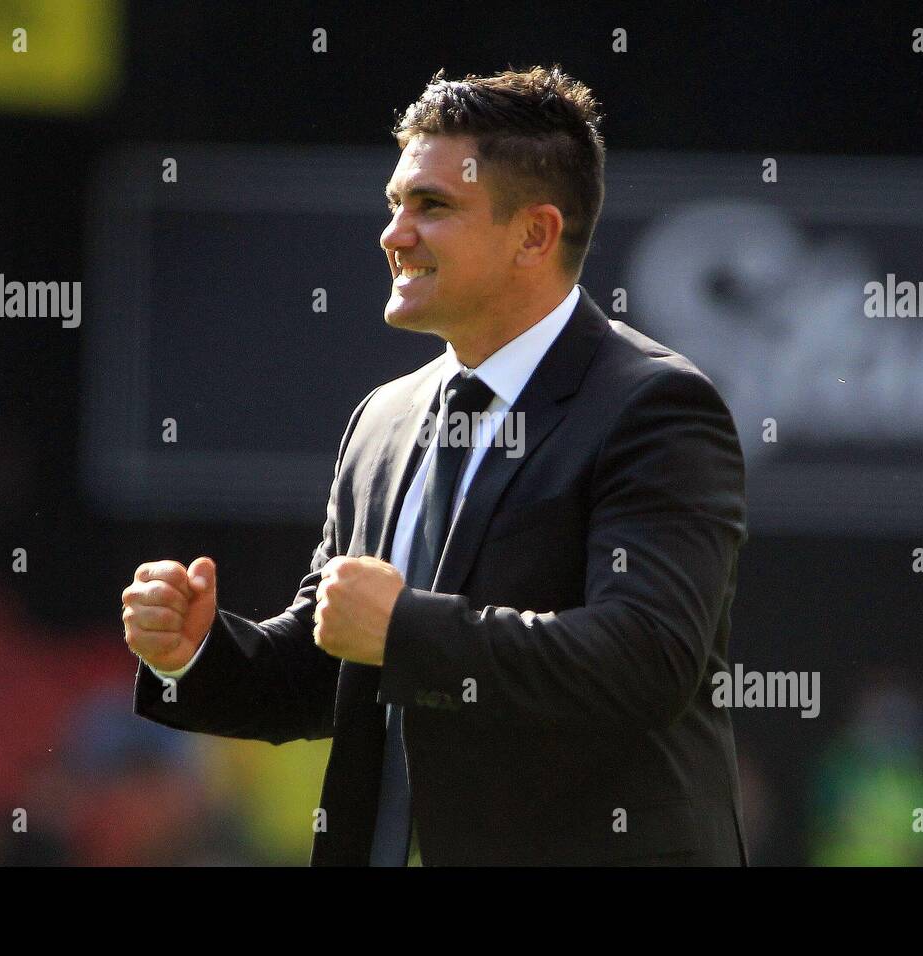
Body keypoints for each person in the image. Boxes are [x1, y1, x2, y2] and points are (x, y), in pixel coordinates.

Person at [122, 65, 749, 866]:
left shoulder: (655, 407)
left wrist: (407, 629)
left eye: (432, 207)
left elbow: (646, 659)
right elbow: (335, 667)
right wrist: (198, 653)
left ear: (535, 234)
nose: (394, 233)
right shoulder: (382, 419)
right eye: (395, 204)